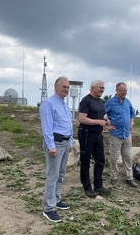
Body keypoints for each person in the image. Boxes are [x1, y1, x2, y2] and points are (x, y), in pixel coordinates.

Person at [40, 76, 73, 223]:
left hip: (65, 143)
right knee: (53, 175)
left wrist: (70, 141)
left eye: (67, 87)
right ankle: (49, 209)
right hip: (56, 143)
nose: (66, 89)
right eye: (63, 87)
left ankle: (56, 199)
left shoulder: (65, 105)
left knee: (61, 173)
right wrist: (51, 146)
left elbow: (69, 126)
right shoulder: (48, 104)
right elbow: (47, 127)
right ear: (56, 87)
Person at [78, 80, 111, 198]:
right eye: (100, 88)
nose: (102, 90)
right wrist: (99, 122)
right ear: (92, 88)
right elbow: (82, 119)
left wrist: (106, 121)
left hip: (98, 134)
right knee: (85, 161)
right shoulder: (86, 101)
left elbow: (99, 115)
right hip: (87, 134)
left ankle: (98, 185)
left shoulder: (101, 102)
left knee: (101, 160)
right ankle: (87, 187)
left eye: (103, 88)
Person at [105, 82, 137, 188]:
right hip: (116, 135)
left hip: (127, 134)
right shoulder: (110, 102)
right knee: (114, 157)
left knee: (128, 157)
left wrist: (132, 122)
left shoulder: (127, 102)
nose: (124, 93)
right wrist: (107, 124)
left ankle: (129, 177)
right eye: (122, 91)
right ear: (117, 90)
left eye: (126, 91)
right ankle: (114, 177)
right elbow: (101, 113)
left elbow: (132, 113)